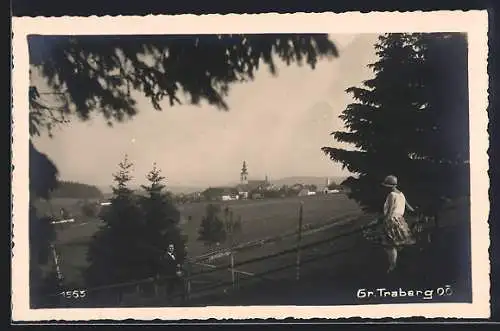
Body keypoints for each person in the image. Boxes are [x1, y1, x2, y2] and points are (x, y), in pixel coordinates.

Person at [363, 175, 417, 273]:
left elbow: (390, 210)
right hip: (400, 220)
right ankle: (401, 262)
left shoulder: (392, 195)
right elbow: (409, 207)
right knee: (397, 242)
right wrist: (417, 213)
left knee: (389, 245)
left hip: (391, 221)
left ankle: (393, 266)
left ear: (388, 186)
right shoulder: (401, 194)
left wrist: (382, 221)